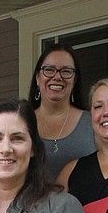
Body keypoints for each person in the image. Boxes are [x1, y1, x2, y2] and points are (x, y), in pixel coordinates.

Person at [29, 44, 95, 181]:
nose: (57, 77)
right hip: (29, 202)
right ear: (37, 77)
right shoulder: (22, 122)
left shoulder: (92, 122)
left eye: (66, 71)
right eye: (49, 69)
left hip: (85, 202)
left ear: (75, 79)